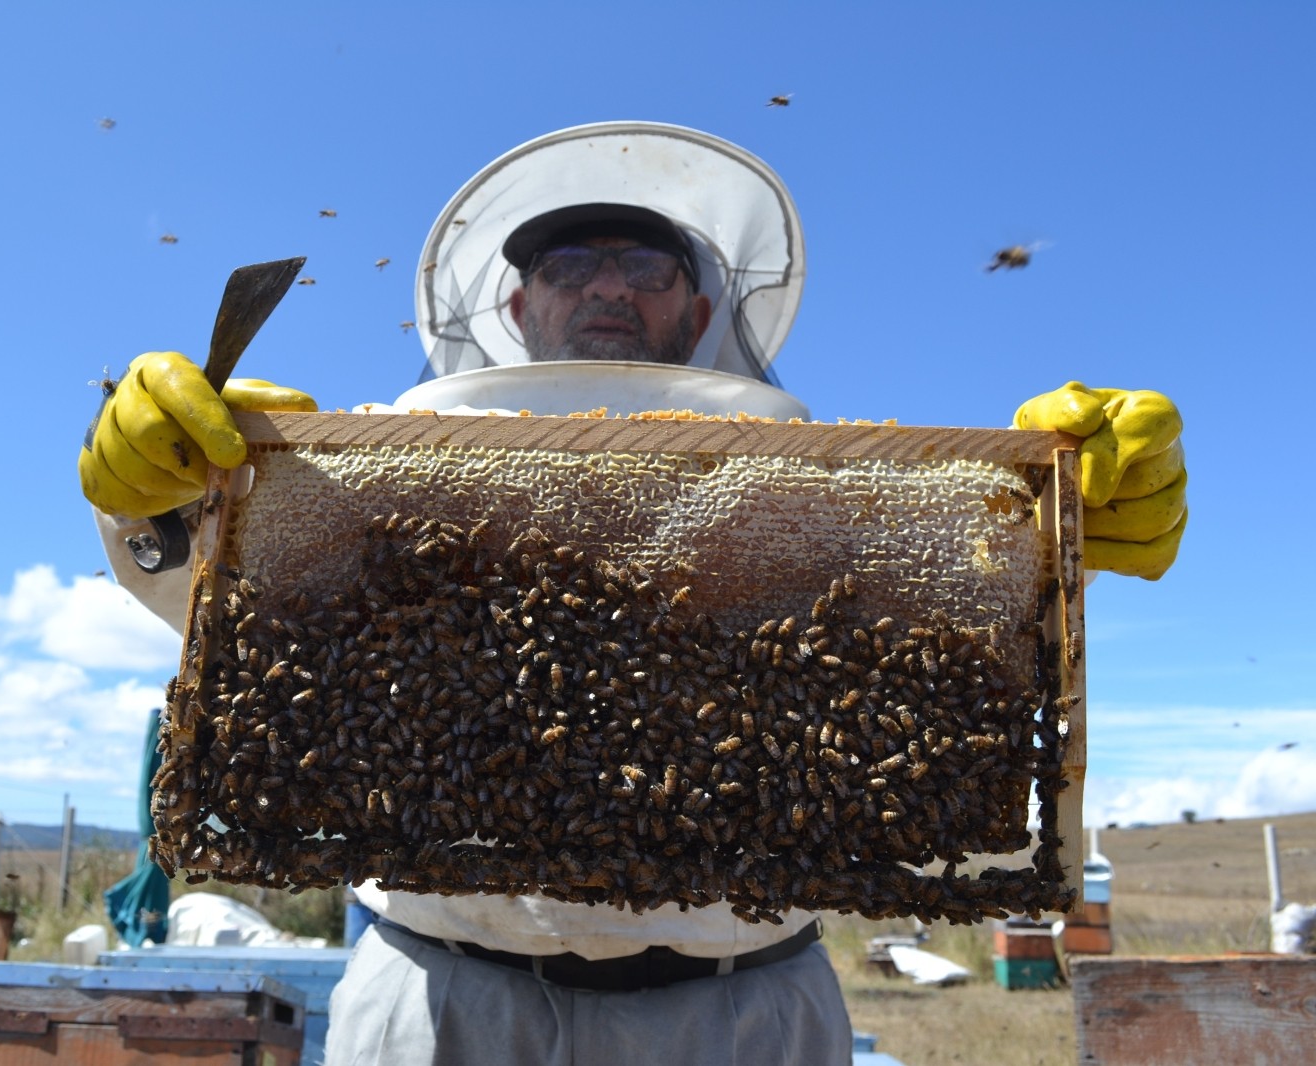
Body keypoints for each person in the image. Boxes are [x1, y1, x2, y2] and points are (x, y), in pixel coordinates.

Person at [78, 121, 1187, 1066]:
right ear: (516, 303)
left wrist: (1049, 525)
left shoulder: (817, 487)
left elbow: (945, 639)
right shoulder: (385, 463)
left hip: (750, 1011)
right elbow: (236, 622)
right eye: (571, 264)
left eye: (645, 267)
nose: (607, 285)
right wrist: (166, 501)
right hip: (439, 1004)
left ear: (699, 310)